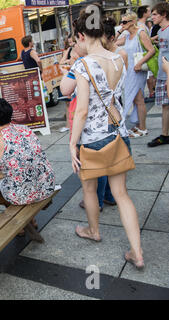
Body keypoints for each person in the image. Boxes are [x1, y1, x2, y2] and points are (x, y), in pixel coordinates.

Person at [69, 11, 144, 270]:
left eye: (75, 39)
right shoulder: (118, 59)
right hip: (118, 134)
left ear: (81, 35)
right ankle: (137, 252)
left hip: (92, 139)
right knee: (122, 194)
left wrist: (72, 143)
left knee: (89, 190)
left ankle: (93, 230)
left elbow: (81, 110)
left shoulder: (83, 64)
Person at [0, 98, 55, 230]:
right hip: (45, 185)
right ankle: (31, 219)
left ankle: (23, 225)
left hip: (24, 194)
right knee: (14, 170)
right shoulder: (24, 129)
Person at [116, 12, 155, 139]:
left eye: (125, 22)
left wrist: (140, 63)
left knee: (139, 99)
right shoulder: (127, 36)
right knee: (134, 98)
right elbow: (113, 43)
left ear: (133, 21)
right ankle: (139, 125)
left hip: (137, 70)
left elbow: (151, 50)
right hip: (129, 71)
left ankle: (143, 128)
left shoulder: (140, 33)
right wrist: (120, 31)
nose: (122, 24)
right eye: (121, 22)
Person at [148, 2, 169, 147]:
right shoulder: (161, 32)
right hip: (162, 75)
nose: (152, 17)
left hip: (167, 75)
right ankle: (164, 135)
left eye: (155, 14)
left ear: (164, 14)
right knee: (165, 106)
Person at [59, 35, 80, 133]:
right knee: (68, 103)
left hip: (75, 78)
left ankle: (75, 124)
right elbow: (61, 62)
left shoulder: (80, 52)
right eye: (69, 42)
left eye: (73, 42)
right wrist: (69, 60)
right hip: (70, 77)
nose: (71, 44)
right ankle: (69, 125)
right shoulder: (69, 50)